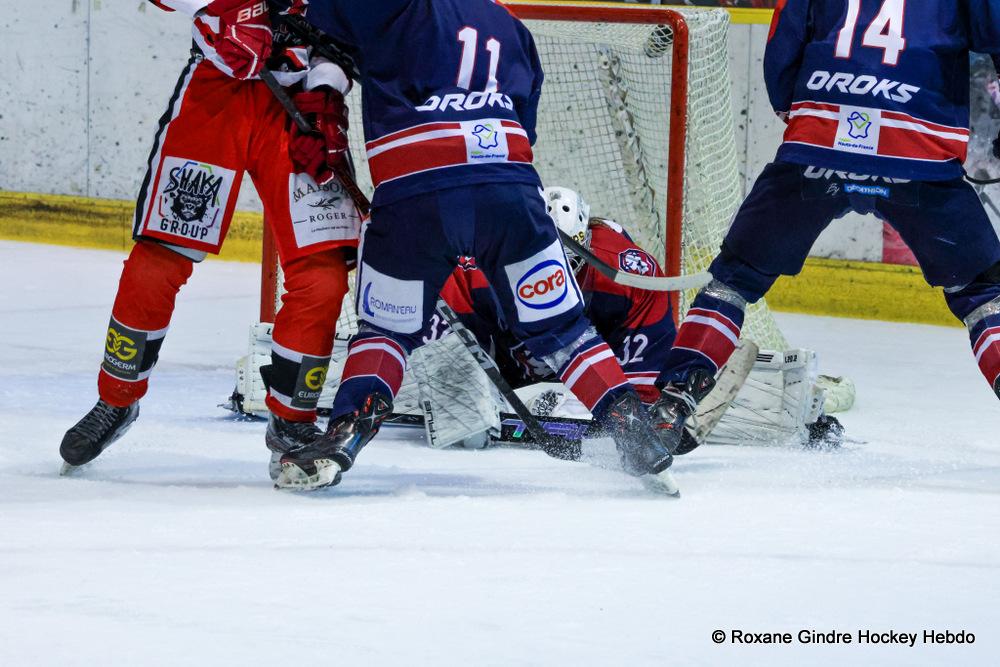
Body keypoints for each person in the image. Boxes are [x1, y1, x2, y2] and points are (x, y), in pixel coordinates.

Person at [272, 0, 678, 493]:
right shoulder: (512, 28)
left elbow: (302, 18)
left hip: (414, 193)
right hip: (507, 191)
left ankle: (344, 435)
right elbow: (525, 131)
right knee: (564, 329)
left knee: (387, 332)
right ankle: (634, 431)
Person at [650, 0, 1000, 451]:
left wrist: (799, 114)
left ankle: (673, 404)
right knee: (982, 294)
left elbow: (782, 50)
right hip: (914, 151)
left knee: (733, 281)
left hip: (819, 143)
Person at [59, 0, 360, 472]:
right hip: (216, 94)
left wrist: (326, 94)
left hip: (299, 105)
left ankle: (292, 419)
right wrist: (226, 5)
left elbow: (350, 33)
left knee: (323, 274)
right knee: (160, 257)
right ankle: (116, 400)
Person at [428, 186, 843, 454]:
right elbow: (441, 354)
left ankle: (790, 405)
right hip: (513, 374)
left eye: (567, 266)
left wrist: (632, 418)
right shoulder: (472, 269)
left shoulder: (630, 274)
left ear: (585, 248)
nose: (552, 282)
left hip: (603, 378)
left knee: (667, 406)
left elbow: (646, 386)